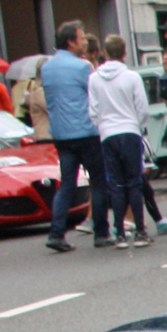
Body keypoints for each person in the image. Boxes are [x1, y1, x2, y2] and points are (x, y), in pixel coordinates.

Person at [39, 21, 109, 252]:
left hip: (61, 133)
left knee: (67, 184)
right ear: (70, 41)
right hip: (86, 131)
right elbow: (96, 94)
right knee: (98, 182)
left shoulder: (47, 67)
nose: (84, 43)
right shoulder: (82, 68)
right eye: (81, 39)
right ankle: (101, 232)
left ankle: (56, 233)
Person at [89, 34, 151, 248]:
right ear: (124, 52)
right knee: (134, 181)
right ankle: (141, 231)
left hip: (108, 133)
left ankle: (120, 233)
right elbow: (142, 107)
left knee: (115, 184)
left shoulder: (95, 78)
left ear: (105, 53)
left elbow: (93, 110)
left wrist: (102, 126)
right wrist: (138, 125)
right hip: (130, 130)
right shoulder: (132, 77)